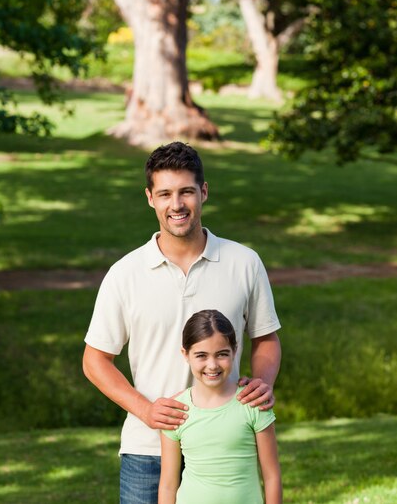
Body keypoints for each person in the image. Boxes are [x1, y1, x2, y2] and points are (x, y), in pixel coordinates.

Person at [83, 141, 281, 504]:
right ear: (150, 198)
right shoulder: (125, 274)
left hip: (226, 446)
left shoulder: (244, 262)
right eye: (165, 194)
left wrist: (262, 385)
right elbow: (94, 360)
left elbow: (265, 337)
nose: (176, 204)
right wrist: (146, 410)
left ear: (203, 192)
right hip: (149, 450)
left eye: (186, 191)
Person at [159, 309, 282, 504]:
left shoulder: (253, 404)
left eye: (221, 354)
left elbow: (272, 476)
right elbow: (167, 485)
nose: (212, 365)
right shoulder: (177, 411)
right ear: (185, 354)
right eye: (201, 355)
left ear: (234, 350)